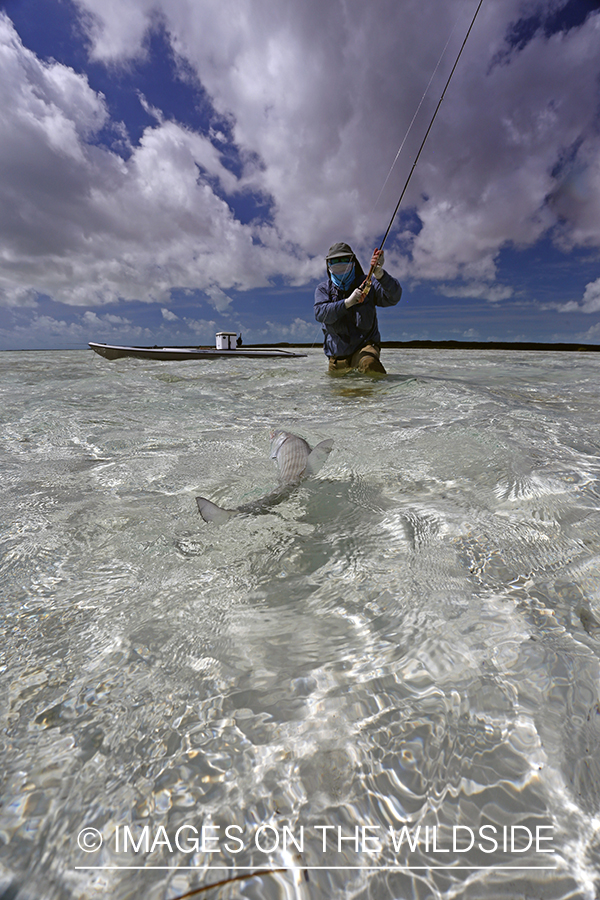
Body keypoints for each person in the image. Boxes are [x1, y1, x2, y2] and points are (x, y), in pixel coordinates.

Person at [314, 242, 402, 376]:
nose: (340, 263)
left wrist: (380, 274)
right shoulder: (323, 289)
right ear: (328, 265)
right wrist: (347, 303)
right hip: (337, 357)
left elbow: (393, 298)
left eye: (345, 259)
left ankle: (381, 396)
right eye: (334, 260)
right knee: (341, 395)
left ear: (353, 261)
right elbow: (320, 314)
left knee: (369, 364)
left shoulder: (368, 283)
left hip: (364, 348)